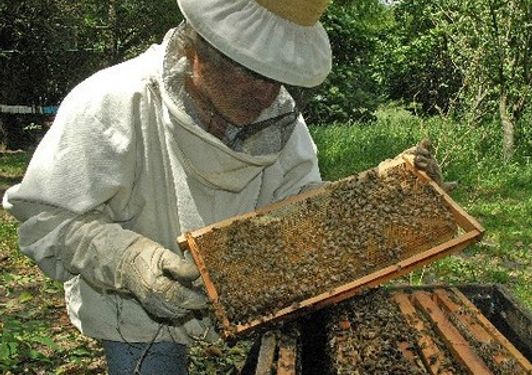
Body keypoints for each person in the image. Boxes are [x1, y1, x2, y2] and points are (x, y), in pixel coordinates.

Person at [2, 0, 449, 373]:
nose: (266, 93)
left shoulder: (278, 114)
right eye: (252, 72)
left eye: (276, 76)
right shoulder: (111, 102)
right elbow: (47, 217)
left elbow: (299, 206)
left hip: (244, 302)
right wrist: (131, 263)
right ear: (200, 52)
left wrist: (383, 192)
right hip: (133, 313)